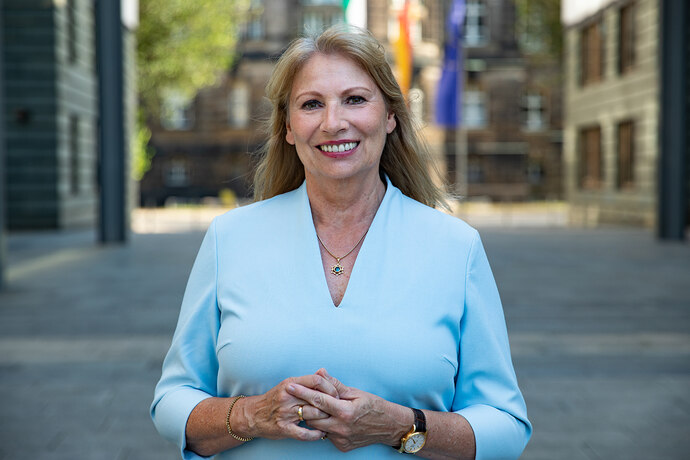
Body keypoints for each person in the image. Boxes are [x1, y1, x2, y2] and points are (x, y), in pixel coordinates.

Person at [151, 25, 531, 460]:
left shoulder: (455, 246)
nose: (334, 123)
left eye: (355, 99)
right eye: (312, 104)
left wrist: (401, 427)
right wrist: (251, 416)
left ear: (390, 115)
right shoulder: (230, 238)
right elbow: (172, 402)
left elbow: (506, 425)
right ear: (289, 127)